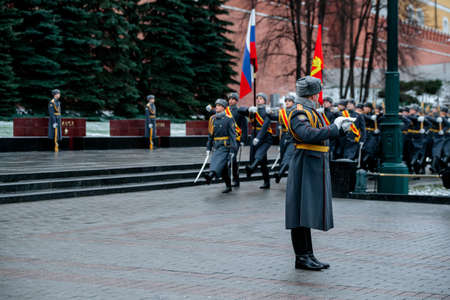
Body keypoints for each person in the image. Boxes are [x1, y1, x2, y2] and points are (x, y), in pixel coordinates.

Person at [286, 76, 354, 270]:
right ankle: (301, 257)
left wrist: (340, 130)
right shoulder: (298, 112)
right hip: (305, 164)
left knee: (306, 211)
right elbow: (307, 134)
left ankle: (308, 254)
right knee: (299, 212)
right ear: (313, 94)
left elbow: (320, 132)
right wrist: (334, 128)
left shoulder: (309, 110)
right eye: (318, 93)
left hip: (313, 164)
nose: (319, 96)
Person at [239, 93, 273, 189]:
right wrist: (248, 109)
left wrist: (258, 138)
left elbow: (265, 126)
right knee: (262, 161)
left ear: (265, 101)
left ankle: (252, 168)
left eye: (261, 98)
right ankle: (267, 182)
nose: (258, 100)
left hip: (265, 137)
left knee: (259, 155)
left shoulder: (267, 111)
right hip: (254, 136)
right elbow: (239, 110)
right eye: (257, 98)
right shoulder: (253, 110)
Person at [203, 99, 238, 193]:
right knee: (223, 168)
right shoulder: (213, 119)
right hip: (216, 146)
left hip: (225, 146)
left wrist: (232, 150)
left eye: (219, 105)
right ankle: (228, 186)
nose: (216, 107)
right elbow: (211, 135)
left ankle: (210, 175)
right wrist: (208, 147)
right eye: (216, 105)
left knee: (216, 161)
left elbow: (232, 136)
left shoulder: (228, 119)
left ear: (223, 108)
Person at [271, 94, 296, 183]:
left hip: (293, 137)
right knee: (282, 156)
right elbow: (279, 125)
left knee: (288, 156)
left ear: (293, 102)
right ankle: (282, 173)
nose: (287, 102)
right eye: (286, 101)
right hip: (284, 136)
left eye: (289, 101)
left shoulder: (296, 112)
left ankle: (280, 173)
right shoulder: (282, 112)